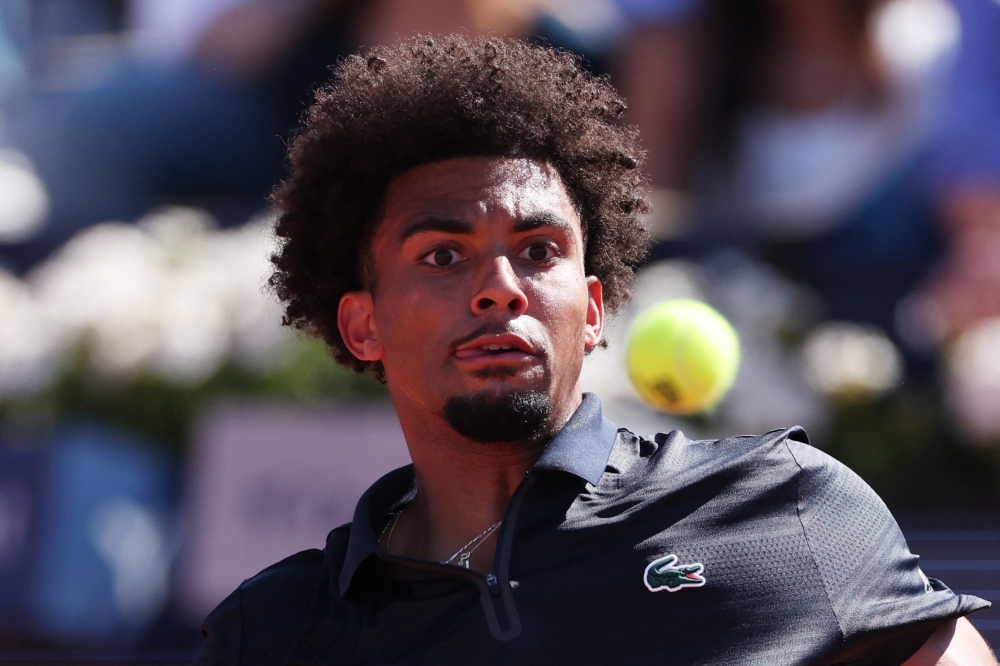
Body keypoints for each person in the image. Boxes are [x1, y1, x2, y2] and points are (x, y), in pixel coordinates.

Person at [195, 34, 994, 665]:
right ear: (360, 325)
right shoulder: (272, 633)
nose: (502, 287)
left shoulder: (788, 509)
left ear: (594, 310)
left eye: (540, 250)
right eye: (443, 254)